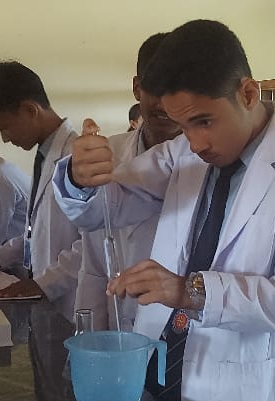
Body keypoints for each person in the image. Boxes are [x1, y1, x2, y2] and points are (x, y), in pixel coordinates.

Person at [54, 19, 275, 401]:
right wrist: (81, 177)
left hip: (238, 387)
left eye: (203, 121)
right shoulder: (184, 154)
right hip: (159, 368)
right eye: (182, 125)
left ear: (247, 92)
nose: (194, 142)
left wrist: (189, 290)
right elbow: (110, 205)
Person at [75, 32, 182, 330]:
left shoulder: (208, 159)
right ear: (137, 88)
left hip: (183, 329)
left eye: (178, 89)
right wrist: (88, 339)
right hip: (121, 327)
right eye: (156, 88)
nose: (166, 103)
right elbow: (94, 266)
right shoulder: (107, 153)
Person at [0, 61, 83, 307]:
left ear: (30, 110)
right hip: (49, 300)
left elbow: (92, 244)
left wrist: (43, 283)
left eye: (5, 127)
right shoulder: (45, 156)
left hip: (74, 302)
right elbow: (37, 231)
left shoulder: (77, 157)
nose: (4, 139)